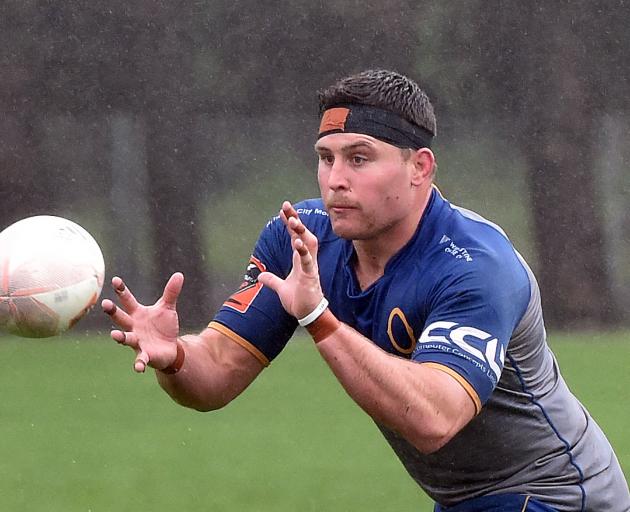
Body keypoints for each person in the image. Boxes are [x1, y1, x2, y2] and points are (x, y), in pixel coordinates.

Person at [102, 69, 630, 512]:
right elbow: (215, 376)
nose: (334, 179)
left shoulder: (476, 266)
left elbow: (433, 419)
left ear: (419, 167)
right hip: (468, 499)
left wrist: (320, 320)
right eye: (325, 157)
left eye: (359, 158)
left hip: (558, 493)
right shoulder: (300, 239)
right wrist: (176, 357)